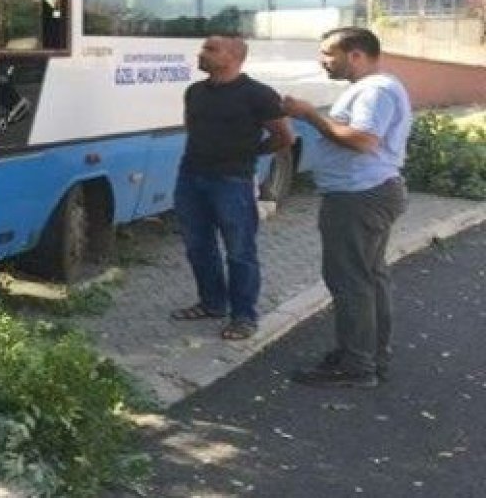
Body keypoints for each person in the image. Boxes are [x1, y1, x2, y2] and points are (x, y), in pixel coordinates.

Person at [282, 26, 412, 388]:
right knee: (369, 277)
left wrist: (309, 115)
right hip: (367, 192)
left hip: (359, 196)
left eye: (328, 53)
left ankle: (356, 367)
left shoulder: (374, 90)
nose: (322, 61)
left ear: (355, 54)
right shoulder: (376, 88)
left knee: (351, 280)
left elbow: (363, 140)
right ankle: (368, 356)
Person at [170, 35, 295, 341]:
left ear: (235, 56)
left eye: (211, 49)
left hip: (232, 182)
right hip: (191, 177)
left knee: (239, 251)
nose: (201, 54)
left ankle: (244, 317)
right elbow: (192, 128)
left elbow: (284, 137)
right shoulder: (195, 91)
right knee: (198, 246)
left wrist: (250, 154)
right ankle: (212, 303)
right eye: (202, 48)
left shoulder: (259, 94)